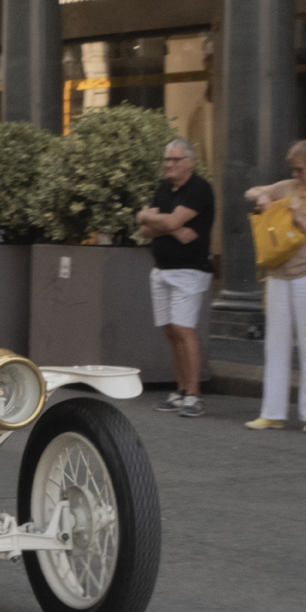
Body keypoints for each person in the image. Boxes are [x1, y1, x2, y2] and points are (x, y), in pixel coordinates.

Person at [241, 139, 306, 433]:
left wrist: (301, 221)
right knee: (275, 346)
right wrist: (263, 196)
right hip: (278, 275)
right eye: (293, 169)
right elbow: (251, 191)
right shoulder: (289, 186)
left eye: (300, 168)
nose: (296, 173)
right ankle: (272, 413)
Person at [135, 138, 216, 418]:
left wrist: (154, 220)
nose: (169, 165)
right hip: (161, 269)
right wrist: (162, 224)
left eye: (175, 160)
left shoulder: (199, 189)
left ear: (189, 162)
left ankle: (194, 395)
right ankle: (180, 391)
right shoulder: (163, 188)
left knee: (184, 330)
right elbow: (144, 229)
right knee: (171, 332)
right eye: (166, 160)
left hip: (189, 270)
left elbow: (160, 222)